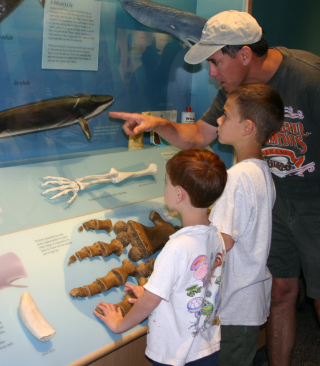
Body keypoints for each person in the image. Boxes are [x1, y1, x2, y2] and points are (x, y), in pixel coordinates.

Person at [109, 10, 320, 366]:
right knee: (281, 295)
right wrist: (156, 124)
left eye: (216, 62)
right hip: (277, 203)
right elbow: (199, 136)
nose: (212, 73)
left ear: (244, 54)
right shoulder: (234, 91)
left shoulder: (313, 80)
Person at [94, 148, 231, 366]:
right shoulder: (216, 236)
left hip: (177, 353)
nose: (165, 188)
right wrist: (156, 290)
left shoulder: (177, 246)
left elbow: (149, 302)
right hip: (206, 347)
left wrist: (120, 324)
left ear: (178, 194)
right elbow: (194, 283)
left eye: (166, 183)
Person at [208, 83, 283, 365]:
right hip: (247, 301)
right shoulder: (262, 172)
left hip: (233, 306)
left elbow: (220, 243)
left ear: (247, 127)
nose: (218, 119)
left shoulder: (237, 178)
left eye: (226, 115)